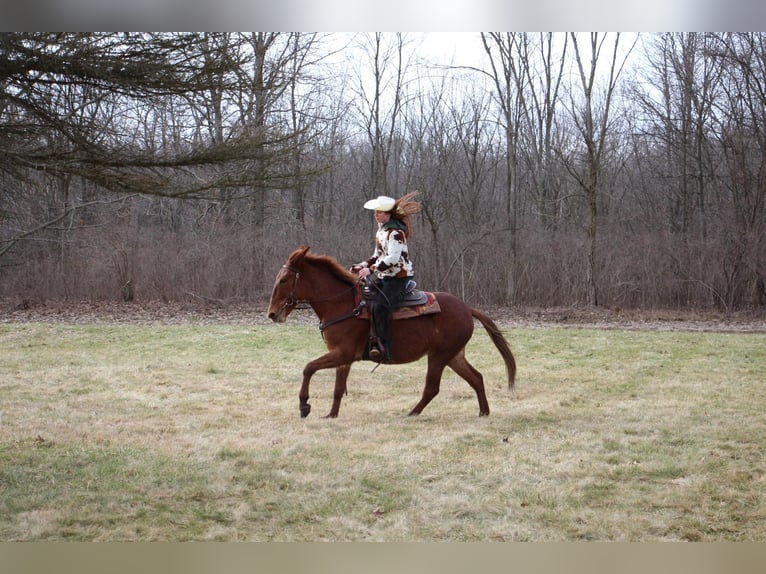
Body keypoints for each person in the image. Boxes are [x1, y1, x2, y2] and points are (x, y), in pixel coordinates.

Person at [354, 191, 422, 362]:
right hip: (385, 276)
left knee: (380, 306)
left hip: (399, 277)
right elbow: (377, 255)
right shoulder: (381, 231)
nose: (376, 215)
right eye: (375, 212)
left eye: (379, 212)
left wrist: (371, 270)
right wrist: (362, 265)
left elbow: (392, 258)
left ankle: (383, 345)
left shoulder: (395, 233)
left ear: (387, 214)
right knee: (365, 300)